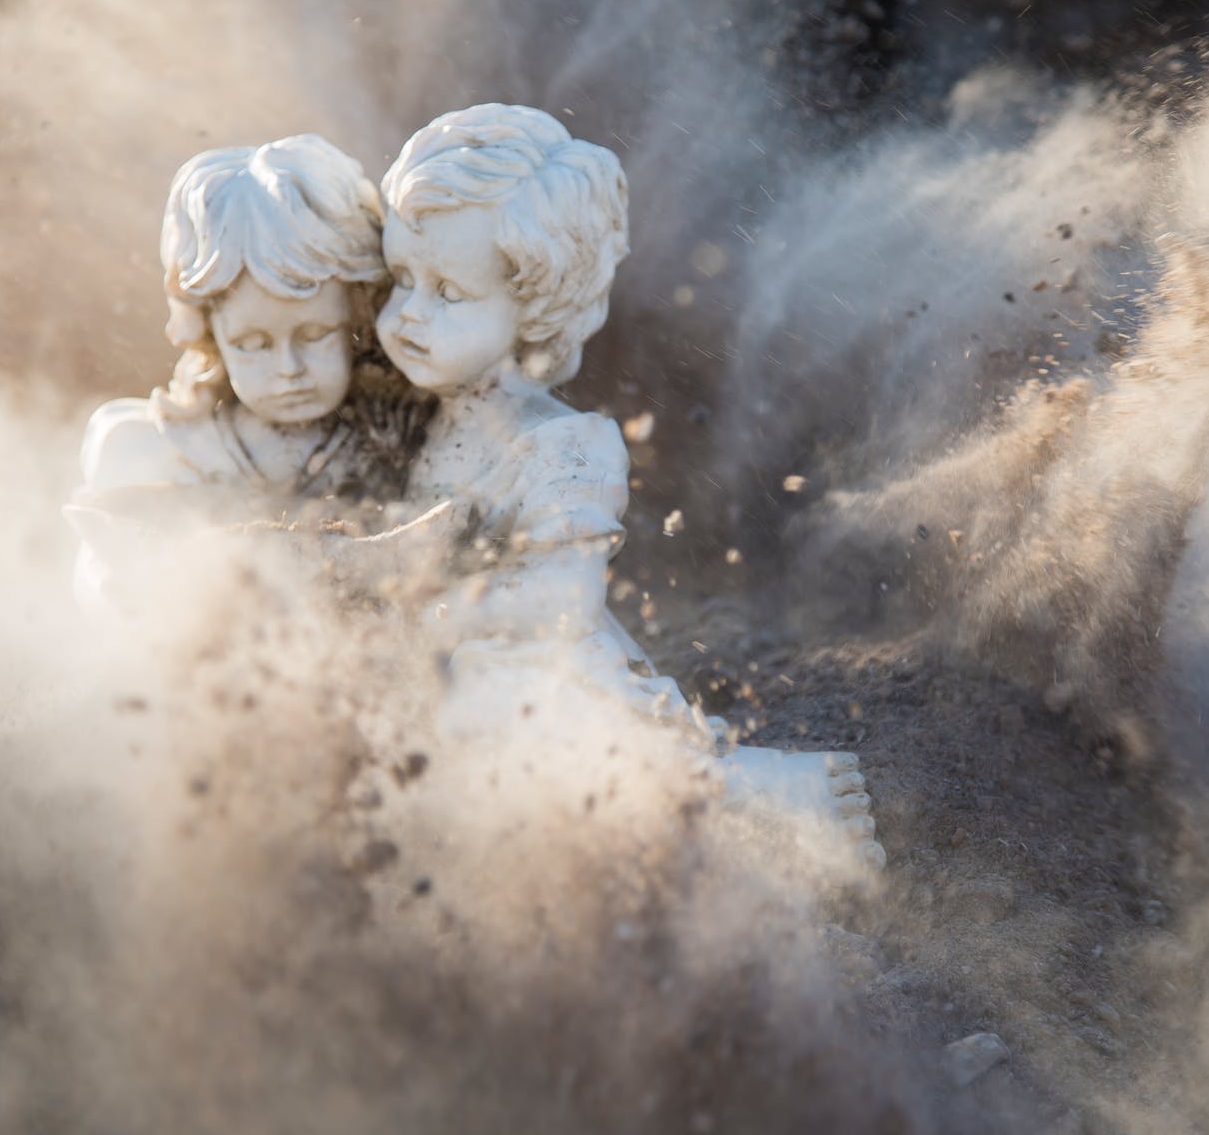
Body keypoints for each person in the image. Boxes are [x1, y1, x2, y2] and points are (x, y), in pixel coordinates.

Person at [374, 104, 884, 867]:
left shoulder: (566, 445)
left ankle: (751, 790)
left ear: (536, 306)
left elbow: (559, 603)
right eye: (400, 279)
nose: (408, 315)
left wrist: (417, 614)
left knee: (501, 722)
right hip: (451, 653)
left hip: (532, 673)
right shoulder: (426, 414)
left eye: (448, 292)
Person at [69, 136, 431, 609]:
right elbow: (97, 588)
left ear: (359, 317)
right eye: (252, 344)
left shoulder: (402, 438)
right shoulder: (163, 448)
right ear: (208, 332)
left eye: (315, 334)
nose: (289, 369)